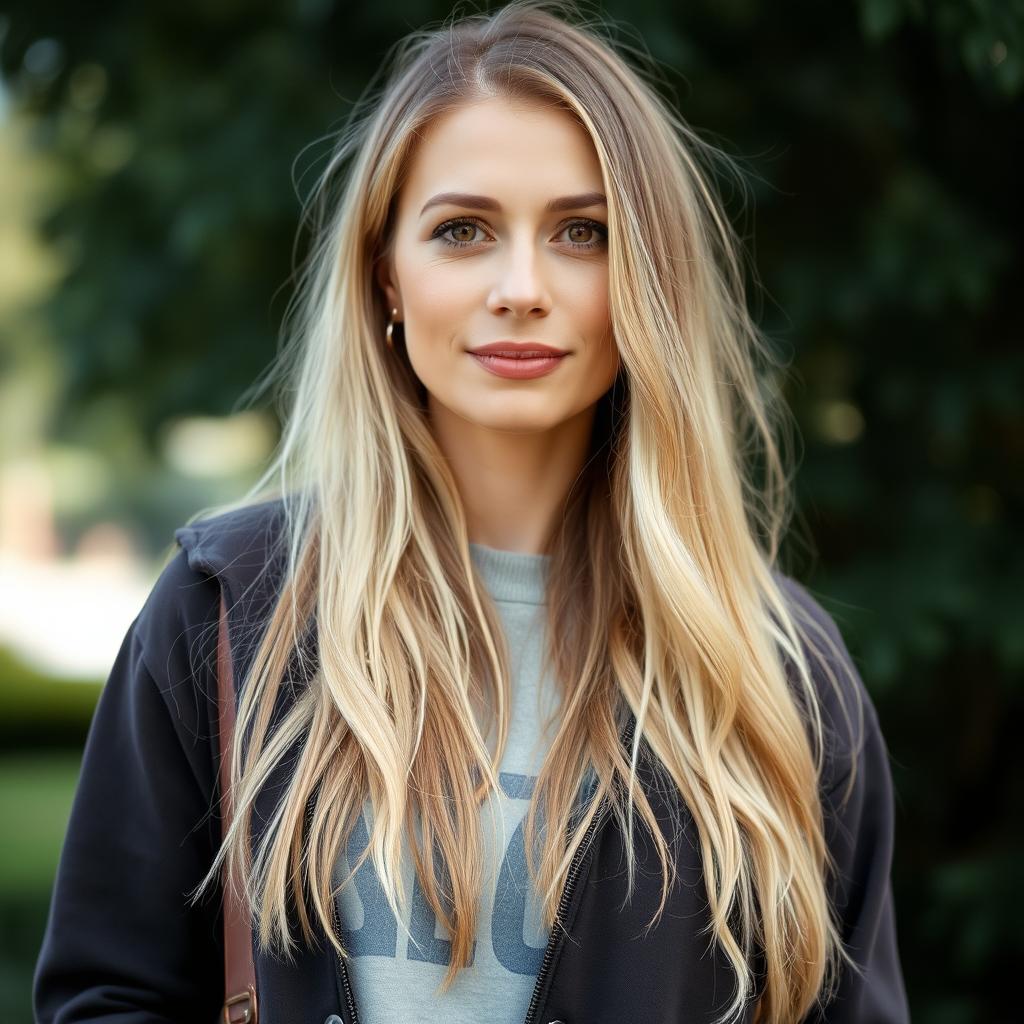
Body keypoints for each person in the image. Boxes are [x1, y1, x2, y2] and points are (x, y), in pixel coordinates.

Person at [33, 2, 910, 1022]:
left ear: (646, 281)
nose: (522, 286)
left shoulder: (777, 669)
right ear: (386, 279)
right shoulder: (226, 616)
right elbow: (108, 994)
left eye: (583, 233)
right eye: (462, 231)